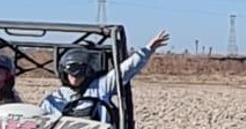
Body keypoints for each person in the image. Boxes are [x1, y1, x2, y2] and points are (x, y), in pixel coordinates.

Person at [40, 30, 170, 119]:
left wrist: (147, 49)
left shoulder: (100, 87)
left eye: (79, 74)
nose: (75, 77)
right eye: (71, 74)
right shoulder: (52, 101)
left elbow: (125, 69)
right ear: (64, 74)